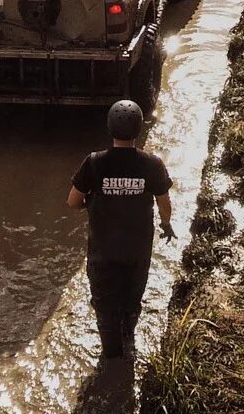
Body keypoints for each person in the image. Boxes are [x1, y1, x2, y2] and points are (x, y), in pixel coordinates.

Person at [67, 99, 175, 359]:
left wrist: (92, 203)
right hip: (137, 250)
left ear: (109, 127)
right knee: (131, 299)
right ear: (139, 128)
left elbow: (72, 202)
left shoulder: (93, 163)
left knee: (105, 306)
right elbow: (164, 203)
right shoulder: (153, 164)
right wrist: (166, 225)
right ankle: (128, 337)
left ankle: (112, 355)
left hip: (103, 251)